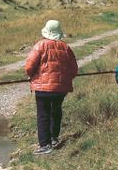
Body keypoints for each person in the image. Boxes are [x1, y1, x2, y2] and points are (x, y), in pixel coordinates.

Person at [24, 19, 78, 155]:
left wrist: (31, 75)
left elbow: (29, 66)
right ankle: (54, 138)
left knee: (43, 114)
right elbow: (74, 70)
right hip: (61, 89)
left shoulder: (40, 45)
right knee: (56, 111)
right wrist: (65, 79)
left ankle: (45, 145)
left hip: (43, 89)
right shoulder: (66, 48)